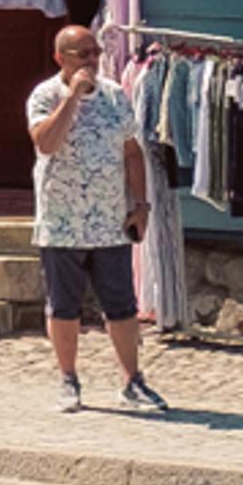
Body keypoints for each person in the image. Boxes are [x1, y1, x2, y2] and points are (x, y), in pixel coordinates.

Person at [28, 22, 168, 415]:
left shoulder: (114, 95)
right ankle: (68, 380)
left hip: (110, 221)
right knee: (64, 307)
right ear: (61, 58)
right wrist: (72, 97)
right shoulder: (44, 95)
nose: (92, 61)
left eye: (96, 53)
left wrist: (140, 205)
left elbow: (131, 151)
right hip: (62, 221)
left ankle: (132, 381)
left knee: (122, 305)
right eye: (83, 54)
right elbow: (46, 143)